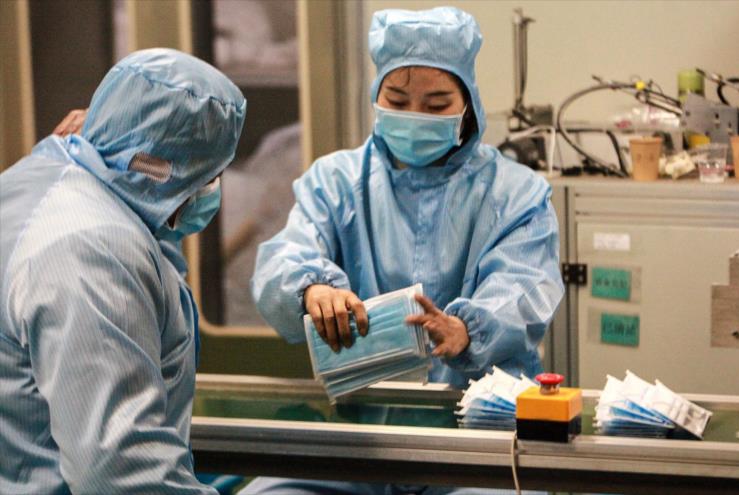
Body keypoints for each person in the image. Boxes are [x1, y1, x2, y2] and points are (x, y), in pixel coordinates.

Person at [246, 7, 562, 494]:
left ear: (468, 105)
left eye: (437, 105)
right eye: (398, 99)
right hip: (357, 440)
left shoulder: (515, 194)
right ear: (377, 97)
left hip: (478, 439)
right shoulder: (336, 182)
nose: (416, 117)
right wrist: (310, 289)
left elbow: (524, 291)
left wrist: (466, 331)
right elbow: (286, 256)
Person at [0, 48, 246, 494]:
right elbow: (118, 470)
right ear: (168, 170)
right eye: (210, 176)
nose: (211, 192)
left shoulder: (42, 181)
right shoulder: (94, 247)